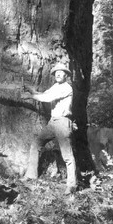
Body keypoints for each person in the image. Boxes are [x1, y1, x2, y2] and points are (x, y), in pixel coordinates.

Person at [22, 63, 77, 194]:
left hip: (63, 123)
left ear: (66, 75)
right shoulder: (55, 86)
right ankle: (31, 175)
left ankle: (72, 185)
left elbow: (47, 98)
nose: (58, 74)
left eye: (61, 72)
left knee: (67, 155)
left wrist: (30, 96)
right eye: (56, 72)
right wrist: (31, 90)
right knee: (36, 144)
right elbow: (43, 94)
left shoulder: (66, 88)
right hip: (53, 123)